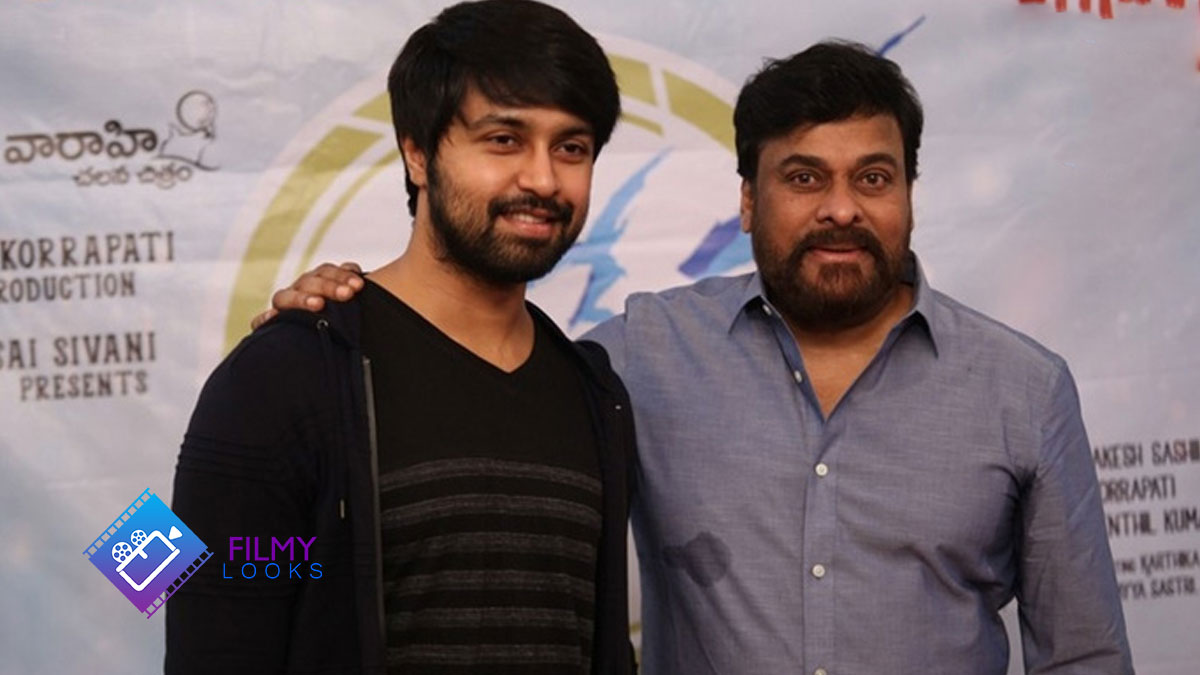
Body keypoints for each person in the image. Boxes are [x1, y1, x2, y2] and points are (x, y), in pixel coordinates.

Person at [264, 42, 1133, 673]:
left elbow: (1084, 655)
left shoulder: (1025, 389)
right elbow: (188, 555)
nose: (841, 208)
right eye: (803, 177)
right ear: (748, 202)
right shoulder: (635, 358)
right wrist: (344, 317)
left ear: (909, 192)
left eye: (873, 177)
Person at [167, 1, 636, 673]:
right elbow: (209, 625)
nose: (542, 178)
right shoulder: (288, 372)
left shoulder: (594, 392)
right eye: (504, 139)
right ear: (417, 153)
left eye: (571, 148)